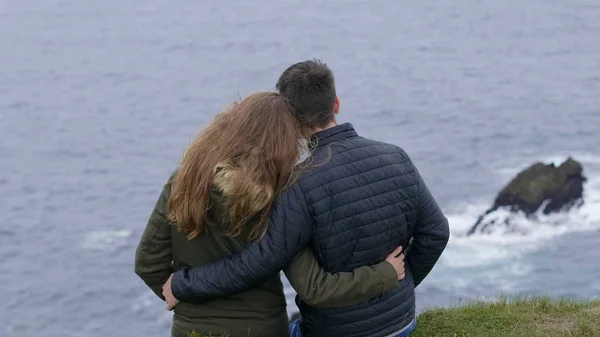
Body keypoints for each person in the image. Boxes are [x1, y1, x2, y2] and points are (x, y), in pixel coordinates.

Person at [164, 60, 450, 337]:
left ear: (288, 119)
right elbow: (437, 232)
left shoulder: (297, 184)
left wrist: (183, 284)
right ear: (335, 103)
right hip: (401, 323)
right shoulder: (396, 156)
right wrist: (401, 284)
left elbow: (259, 262)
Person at [134, 92, 407, 337]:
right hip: (262, 328)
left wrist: (179, 295)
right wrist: (384, 273)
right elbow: (315, 287)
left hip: (191, 329)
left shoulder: (182, 182)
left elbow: (147, 263)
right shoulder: (280, 196)